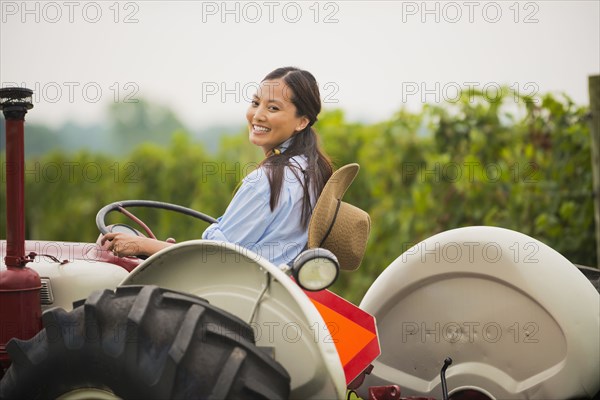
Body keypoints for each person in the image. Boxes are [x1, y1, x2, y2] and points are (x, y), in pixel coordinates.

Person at [101, 67, 333, 265]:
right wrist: (160, 247)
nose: (258, 115)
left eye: (273, 108)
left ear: (302, 121)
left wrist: (144, 245)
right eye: (255, 103)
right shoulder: (311, 171)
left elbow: (213, 258)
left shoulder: (267, 180)